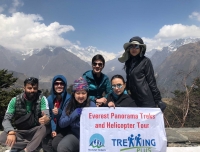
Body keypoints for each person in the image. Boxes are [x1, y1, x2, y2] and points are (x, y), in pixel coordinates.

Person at [0, 77, 50, 152]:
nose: (32, 90)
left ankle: (26, 149)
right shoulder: (15, 100)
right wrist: (11, 131)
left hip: (35, 131)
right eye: (29, 88)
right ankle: (35, 144)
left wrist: (46, 119)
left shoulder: (42, 99)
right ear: (24, 88)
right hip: (20, 131)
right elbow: (6, 119)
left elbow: (47, 115)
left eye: (34, 88)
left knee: (45, 127)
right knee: (2, 138)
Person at [118, 36, 166, 111]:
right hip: (134, 99)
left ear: (141, 49)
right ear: (129, 49)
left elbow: (151, 81)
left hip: (146, 100)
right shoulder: (129, 62)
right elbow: (130, 81)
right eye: (131, 46)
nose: (134, 49)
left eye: (136, 46)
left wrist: (158, 100)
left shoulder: (145, 61)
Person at [57, 78, 96, 152]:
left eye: (83, 93)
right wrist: (73, 115)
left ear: (87, 94)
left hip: (89, 136)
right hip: (75, 135)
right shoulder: (70, 104)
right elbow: (61, 123)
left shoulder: (92, 105)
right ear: (73, 94)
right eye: (78, 93)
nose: (81, 96)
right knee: (62, 147)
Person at [42, 75, 71, 152]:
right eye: (56, 83)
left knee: (55, 143)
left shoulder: (69, 99)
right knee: (45, 144)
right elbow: (49, 116)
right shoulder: (49, 99)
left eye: (61, 84)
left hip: (65, 128)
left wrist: (59, 113)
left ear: (64, 85)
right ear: (53, 85)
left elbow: (67, 117)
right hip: (53, 127)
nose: (59, 86)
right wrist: (53, 130)